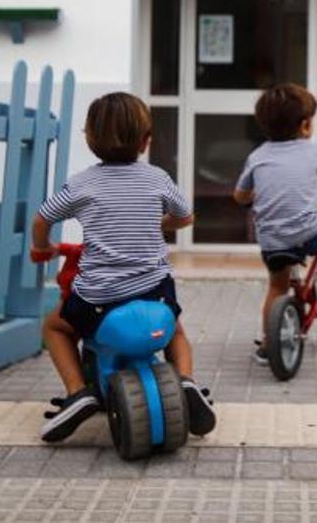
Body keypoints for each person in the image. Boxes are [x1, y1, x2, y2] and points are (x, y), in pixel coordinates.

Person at [30, 92, 216, 441]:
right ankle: (187, 382)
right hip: (155, 293)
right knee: (176, 332)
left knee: (55, 327)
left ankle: (77, 393)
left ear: (89, 139)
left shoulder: (81, 184)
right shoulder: (157, 178)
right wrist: (158, 224)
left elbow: (42, 220)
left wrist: (42, 248)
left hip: (100, 298)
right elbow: (185, 217)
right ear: (146, 142)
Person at [232, 83, 317, 364]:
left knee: (276, 286)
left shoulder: (257, 157)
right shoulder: (312, 151)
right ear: (305, 126)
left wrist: (253, 197)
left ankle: (268, 342)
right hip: (308, 235)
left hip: (271, 240)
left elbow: (240, 195)